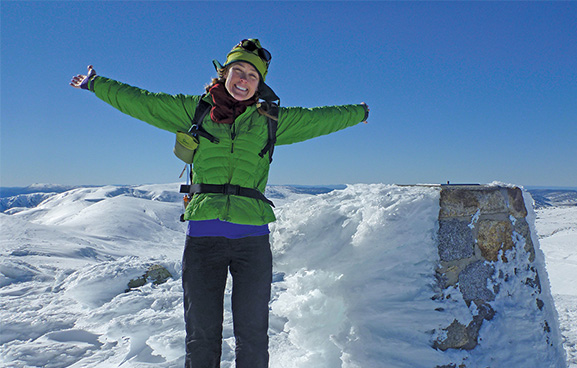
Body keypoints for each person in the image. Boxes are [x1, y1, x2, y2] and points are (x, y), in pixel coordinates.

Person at [70, 38, 368, 368]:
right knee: (201, 334)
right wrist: (97, 84)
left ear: (260, 83)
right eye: (238, 71)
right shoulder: (194, 110)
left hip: (252, 242)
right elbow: (144, 102)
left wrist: (359, 112)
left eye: (253, 76)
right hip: (203, 240)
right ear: (224, 73)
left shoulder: (271, 119)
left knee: (253, 334)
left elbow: (320, 119)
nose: (243, 80)